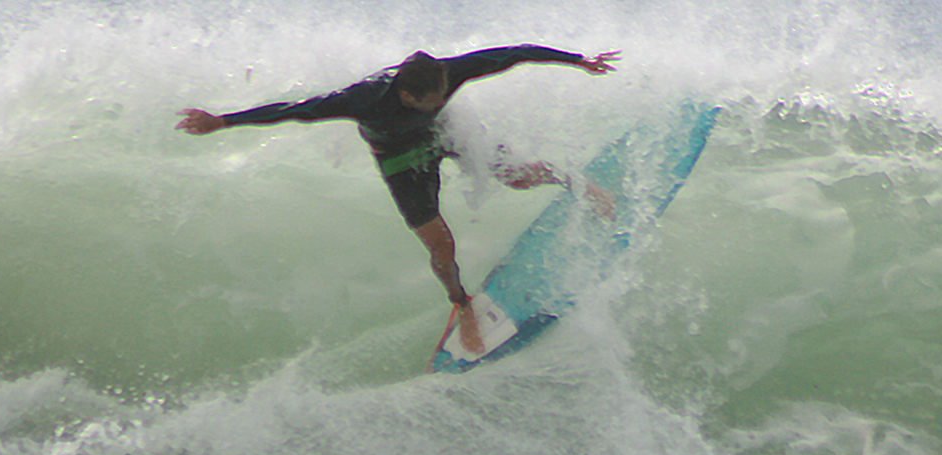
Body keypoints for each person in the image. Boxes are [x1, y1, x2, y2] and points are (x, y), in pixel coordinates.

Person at [177, 45, 621, 353]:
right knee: (441, 247)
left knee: (518, 176)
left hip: (446, 134)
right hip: (401, 161)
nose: (439, 98)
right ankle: (461, 305)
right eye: (430, 99)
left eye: (441, 93)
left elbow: (513, 53)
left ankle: (574, 182)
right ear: (406, 94)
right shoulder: (364, 98)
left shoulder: (444, 75)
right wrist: (223, 121)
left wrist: (579, 61)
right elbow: (298, 109)